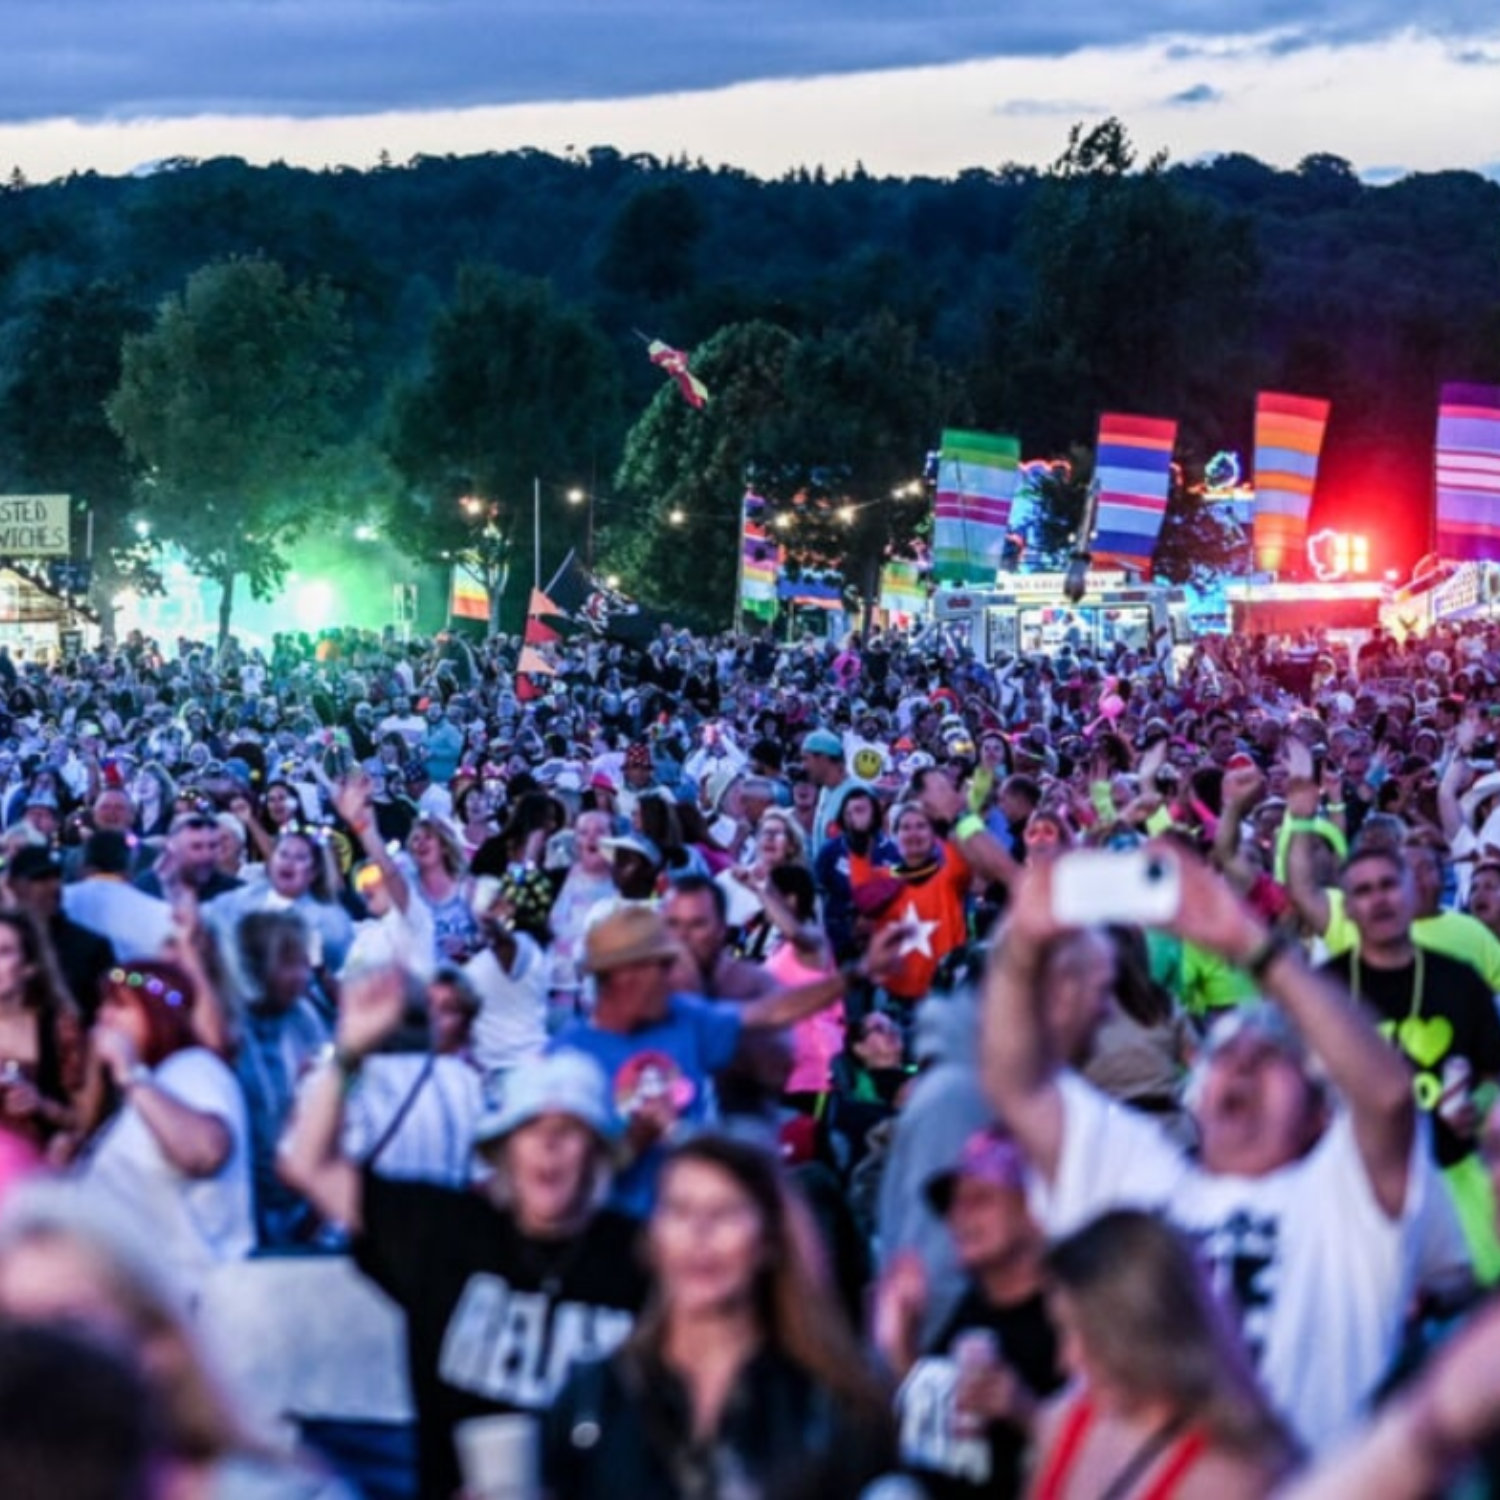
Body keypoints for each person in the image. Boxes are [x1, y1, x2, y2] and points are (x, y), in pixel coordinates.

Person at [984, 846, 1434, 1452]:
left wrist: (1249, 943)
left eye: (1268, 1056)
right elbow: (1022, 1087)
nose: (1241, 1065)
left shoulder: (1342, 1203)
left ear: (1319, 1114)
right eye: (1224, 1054)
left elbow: (1388, 1099)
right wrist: (1021, 950)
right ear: (1195, 1097)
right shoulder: (1144, 1184)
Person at [279, 970, 648, 1500]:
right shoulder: (448, 1233)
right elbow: (308, 1164)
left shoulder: (641, 1255)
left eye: (568, 1130)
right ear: (505, 1152)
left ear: (596, 1154)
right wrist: (350, 1051)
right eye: (531, 1130)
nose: (548, 1146)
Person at [543, 1133, 894, 1498]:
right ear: (653, 1238)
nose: (700, 1235)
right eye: (680, 1211)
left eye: (725, 1212)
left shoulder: (830, 1411)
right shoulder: (595, 1396)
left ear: (768, 1240)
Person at [551, 903, 899, 1216]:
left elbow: (772, 1011)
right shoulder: (570, 1058)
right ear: (625, 977)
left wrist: (859, 972)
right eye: (662, 966)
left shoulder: (683, 1018)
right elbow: (559, 1179)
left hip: (694, 1226)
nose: (672, 976)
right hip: (615, 1236)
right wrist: (634, 1142)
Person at [1028, 1209, 1298, 1499]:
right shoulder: (1063, 1425)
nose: (1068, 1360)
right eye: (1065, 1330)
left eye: (1094, 1338)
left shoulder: (1233, 1477)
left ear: (1149, 1332)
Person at [876, 1124, 1066, 1500]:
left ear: (1036, 1209)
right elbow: (942, 1451)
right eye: (953, 1203)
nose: (958, 1216)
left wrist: (1028, 1414)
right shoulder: (973, 1305)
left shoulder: (1073, 1317)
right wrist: (901, 1349)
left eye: (980, 1199)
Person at [74, 959, 254, 1297]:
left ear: (158, 1013)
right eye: (103, 1006)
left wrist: (129, 1073)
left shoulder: (195, 1068)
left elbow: (205, 1152)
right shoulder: (153, 1086)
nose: (103, 1017)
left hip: (191, 1295)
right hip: (144, 1291)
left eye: (119, 1006)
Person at [0, 909, 85, 1155]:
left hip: (35, 1165)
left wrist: (41, 1105)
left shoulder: (59, 1028)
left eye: (3, 952)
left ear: (29, 966)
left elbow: (86, 1120)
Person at [3, 845, 115, 1024]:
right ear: (13, 885)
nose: (53, 886)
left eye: (56, 877)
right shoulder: (7, 940)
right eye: (40, 878)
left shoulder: (91, 947)